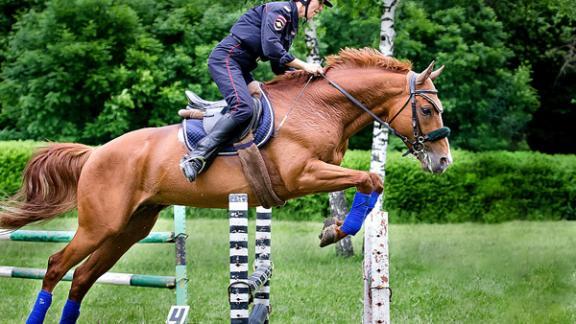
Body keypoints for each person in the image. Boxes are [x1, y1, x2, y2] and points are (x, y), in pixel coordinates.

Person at [180, 0, 333, 182]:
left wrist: (308, 77)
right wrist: (305, 65)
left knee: (263, 99)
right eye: (320, 2)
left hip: (241, 68)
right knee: (243, 108)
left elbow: (278, 66)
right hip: (226, 59)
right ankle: (196, 157)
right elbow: (270, 47)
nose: (321, 8)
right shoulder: (280, 10)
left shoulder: (291, 24)